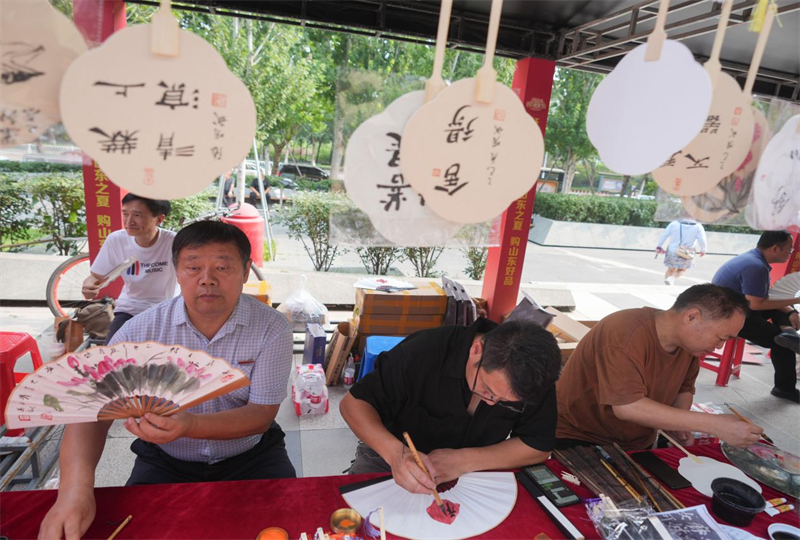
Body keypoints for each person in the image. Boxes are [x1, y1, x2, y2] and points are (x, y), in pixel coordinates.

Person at [40, 221, 295, 540]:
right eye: (193, 267)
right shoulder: (140, 331)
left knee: (288, 523)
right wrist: (74, 490)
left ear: (245, 272)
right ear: (176, 271)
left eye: (222, 267)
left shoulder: (272, 328)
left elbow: (261, 414)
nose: (207, 279)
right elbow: (91, 412)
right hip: (166, 459)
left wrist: (190, 425)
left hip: (252, 456)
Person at [339, 319, 562, 495]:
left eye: (506, 402)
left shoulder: (533, 377)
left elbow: (538, 445)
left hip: (477, 467)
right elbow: (353, 404)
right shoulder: (425, 351)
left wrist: (464, 460)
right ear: (476, 350)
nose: (491, 402)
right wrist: (396, 455)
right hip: (390, 455)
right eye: (486, 389)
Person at [556, 284, 763, 451]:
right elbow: (628, 407)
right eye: (721, 337)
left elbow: (684, 389)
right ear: (692, 317)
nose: (719, 346)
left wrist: (678, 426)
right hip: (580, 436)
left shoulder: (689, 345)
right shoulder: (623, 332)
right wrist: (715, 424)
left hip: (637, 441)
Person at [712, 230, 800, 403]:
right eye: (789, 249)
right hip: (729, 316)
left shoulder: (755, 259)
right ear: (775, 248)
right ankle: (784, 388)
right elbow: (756, 304)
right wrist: (797, 300)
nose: (790, 253)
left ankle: (789, 333)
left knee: (783, 314)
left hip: (740, 308)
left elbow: (766, 297)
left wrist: (792, 311)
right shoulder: (756, 266)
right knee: (782, 344)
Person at [81, 194, 176, 343]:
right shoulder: (117, 240)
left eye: (137, 215)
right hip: (130, 309)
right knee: (114, 352)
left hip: (168, 309)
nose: (129, 221)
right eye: (125, 214)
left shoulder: (174, 242)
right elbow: (96, 276)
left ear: (159, 219)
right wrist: (89, 286)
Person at [655, 218, 707, 285]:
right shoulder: (698, 226)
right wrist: (703, 250)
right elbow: (702, 240)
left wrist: (659, 246)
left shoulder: (674, 224)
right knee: (682, 270)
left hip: (672, 251)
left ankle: (668, 285)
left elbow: (664, 235)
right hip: (687, 252)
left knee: (671, 269)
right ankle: (671, 278)